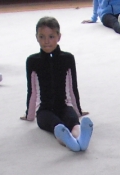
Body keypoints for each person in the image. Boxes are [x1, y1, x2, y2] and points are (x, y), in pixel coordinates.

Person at [21, 17, 93, 153]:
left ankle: (82, 140)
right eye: (42, 37)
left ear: (59, 37)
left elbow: (72, 87)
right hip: (44, 111)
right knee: (58, 127)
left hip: (64, 106)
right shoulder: (32, 61)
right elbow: (32, 91)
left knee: (74, 122)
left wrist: (77, 111)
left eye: (51, 36)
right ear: (36, 37)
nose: (46, 41)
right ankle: (71, 142)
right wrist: (30, 115)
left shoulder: (68, 58)